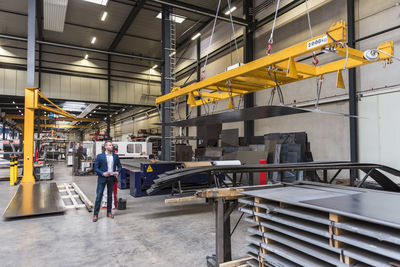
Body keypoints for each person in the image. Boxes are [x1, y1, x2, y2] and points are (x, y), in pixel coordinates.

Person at [93, 140, 122, 222]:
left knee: (110, 196)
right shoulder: (100, 156)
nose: (111, 146)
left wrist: (117, 172)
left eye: (112, 145)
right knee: (99, 196)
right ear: (105, 147)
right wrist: (102, 173)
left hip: (111, 178)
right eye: (109, 145)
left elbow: (120, 166)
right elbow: (95, 168)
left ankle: (109, 212)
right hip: (102, 178)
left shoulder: (115, 156)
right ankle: (95, 214)